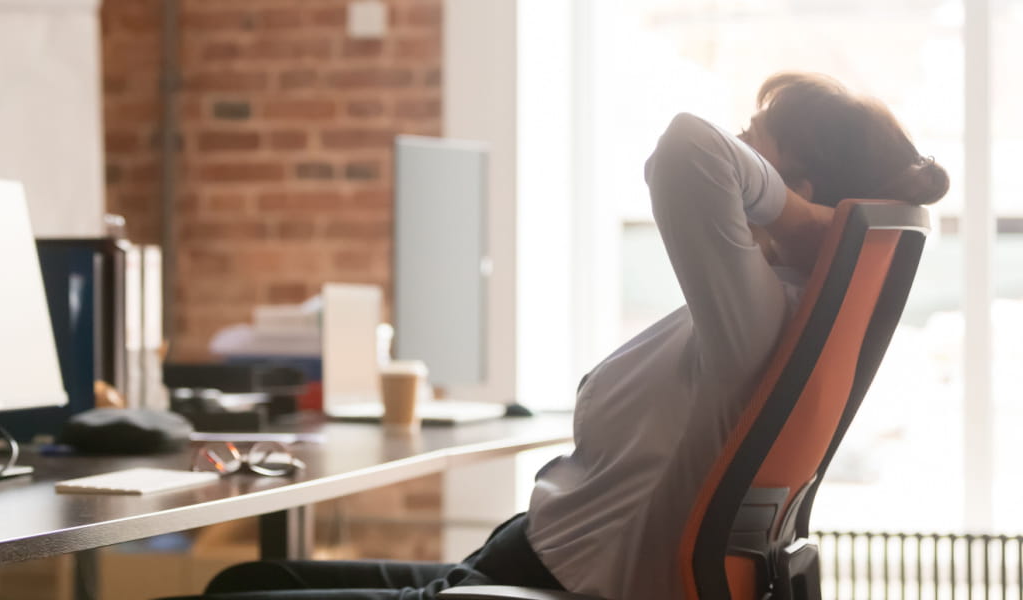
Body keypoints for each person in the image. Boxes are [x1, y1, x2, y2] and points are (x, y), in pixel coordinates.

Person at [179, 72, 950, 600]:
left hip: (537, 583)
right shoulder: (764, 311)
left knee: (233, 592)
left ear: (802, 188)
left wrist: (804, 221)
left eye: (760, 144)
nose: (743, 150)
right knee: (245, 582)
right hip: (516, 559)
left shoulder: (758, 317)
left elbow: (688, 150)